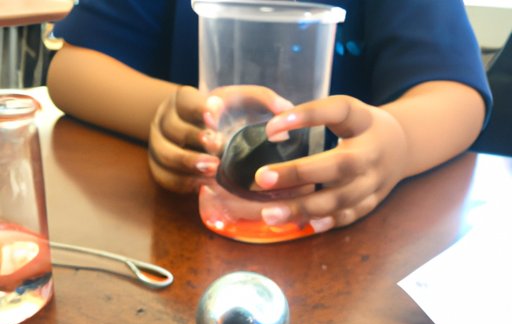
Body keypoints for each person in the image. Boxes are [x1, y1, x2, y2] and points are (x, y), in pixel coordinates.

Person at [47, 0, 492, 234]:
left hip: (353, 249)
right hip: (186, 228)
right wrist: (169, 116)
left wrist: (399, 141)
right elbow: (73, 69)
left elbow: (457, 95)